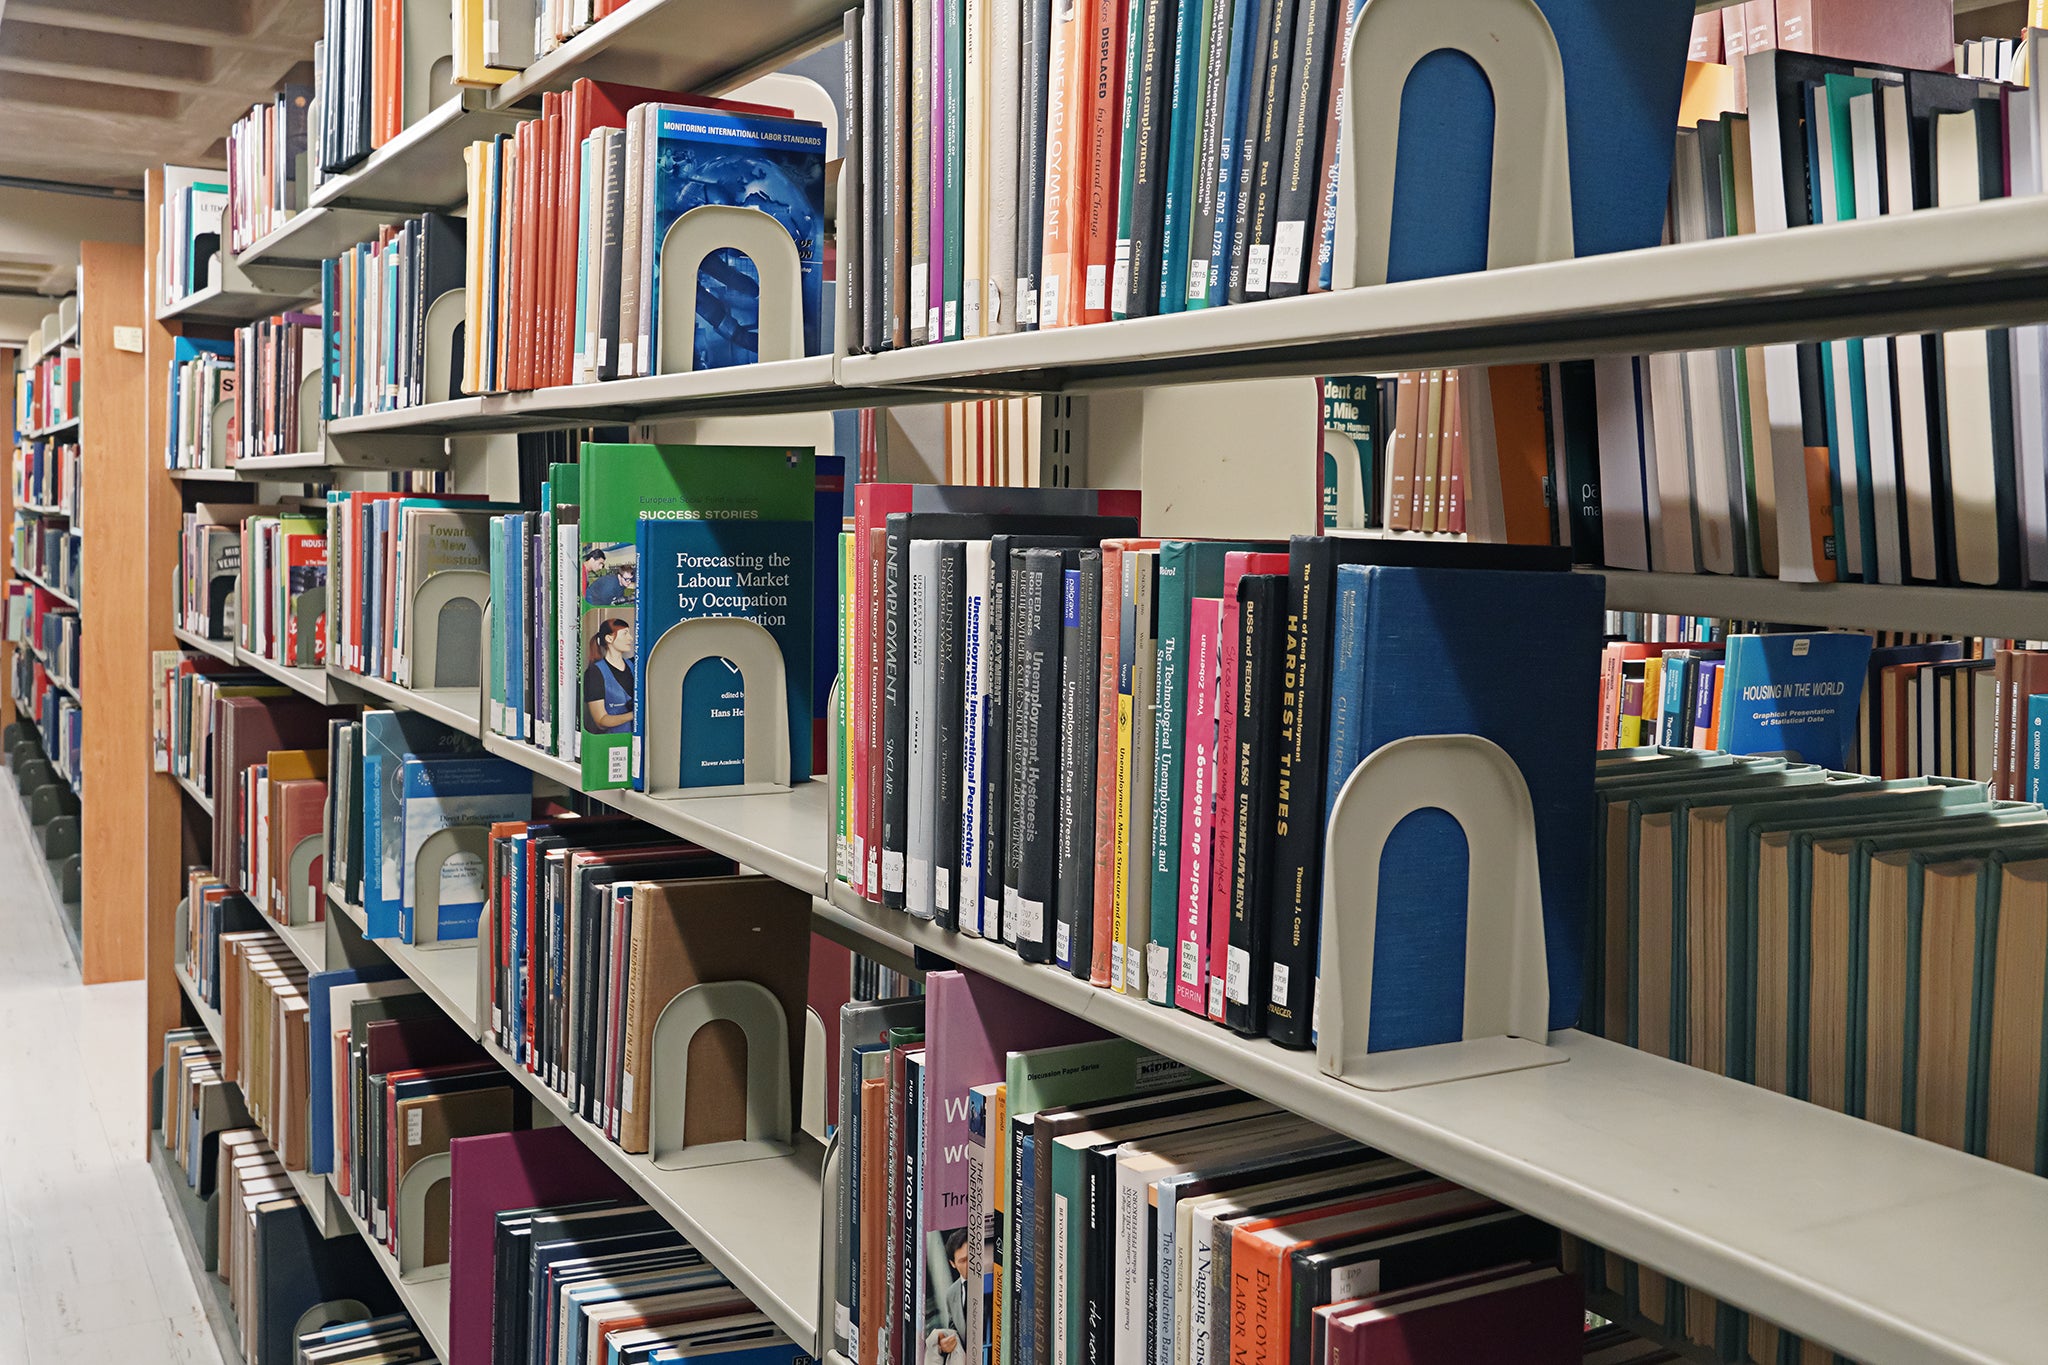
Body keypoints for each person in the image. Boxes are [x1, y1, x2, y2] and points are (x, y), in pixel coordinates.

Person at [924, 1228, 971, 1365]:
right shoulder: (951, 1293)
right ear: (953, 1264)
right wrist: (942, 1345)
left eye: (971, 1258)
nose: (969, 1265)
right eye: (963, 1261)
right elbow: (953, 1329)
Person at [583, 618, 635, 733]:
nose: (630, 638)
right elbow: (601, 721)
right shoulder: (594, 673)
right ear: (609, 638)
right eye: (625, 633)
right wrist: (635, 714)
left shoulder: (634, 665)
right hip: (613, 741)